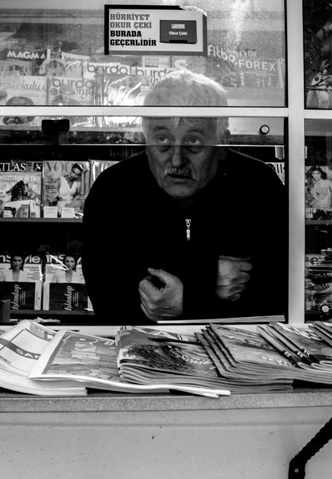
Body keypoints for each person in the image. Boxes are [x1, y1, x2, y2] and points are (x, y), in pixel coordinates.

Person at [82, 70, 287, 323]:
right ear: (146, 141)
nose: (177, 159)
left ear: (222, 144)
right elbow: (108, 300)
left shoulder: (258, 185)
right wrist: (207, 281)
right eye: (162, 140)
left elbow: (279, 298)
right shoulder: (113, 189)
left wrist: (188, 300)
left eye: (194, 142)